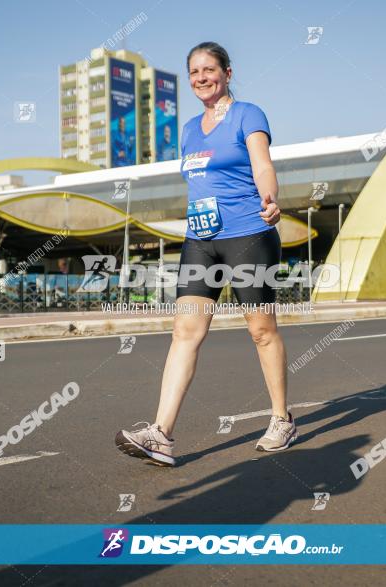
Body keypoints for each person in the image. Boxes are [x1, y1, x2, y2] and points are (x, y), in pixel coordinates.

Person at [115, 42, 294, 467]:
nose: (200, 77)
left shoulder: (248, 114)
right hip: (201, 241)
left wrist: (270, 197)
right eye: (193, 71)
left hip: (249, 234)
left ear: (227, 72)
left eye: (209, 69)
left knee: (261, 330)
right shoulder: (190, 128)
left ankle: (282, 419)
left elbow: (262, 163)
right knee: (185, 331)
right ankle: (161, 435)